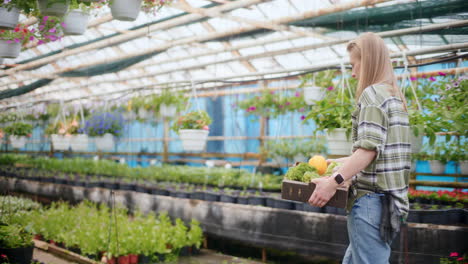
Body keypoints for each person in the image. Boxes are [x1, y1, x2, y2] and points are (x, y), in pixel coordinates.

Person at [308, 32, 411, 264]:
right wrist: (339, 163)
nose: (353, 73)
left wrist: (332, 182)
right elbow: (378, 153)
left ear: (370, 60)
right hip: (389, 204)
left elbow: (368, 151)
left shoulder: (372, 94)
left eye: (355, 65)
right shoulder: (394, 96)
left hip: (370, 203)